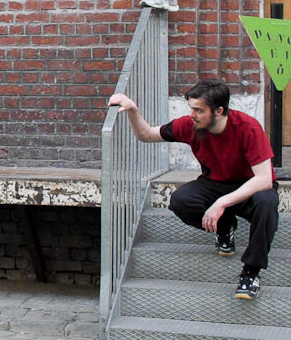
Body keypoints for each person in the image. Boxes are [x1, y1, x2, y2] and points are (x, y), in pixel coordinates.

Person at [109, 80, 279, 299]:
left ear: (218, 111)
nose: (192, 114)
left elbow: (264, 179)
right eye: (192, 109)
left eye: (199, 110)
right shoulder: (191, 126)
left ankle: (251, 272)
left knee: (267, 203)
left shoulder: (248, 128)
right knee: (181, 200)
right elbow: (147, 134)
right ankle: (225, 227)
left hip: (250, 187)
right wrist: (133, 110)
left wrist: (221, 203)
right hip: (215, 184)